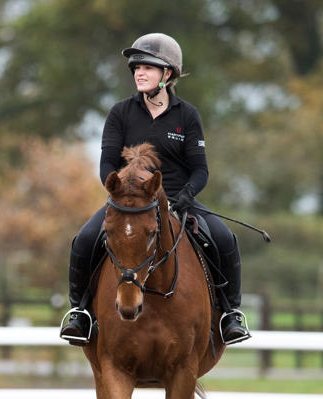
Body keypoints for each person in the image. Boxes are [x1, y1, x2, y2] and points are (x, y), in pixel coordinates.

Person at [59, 33, 250, 346]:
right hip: (129, 202)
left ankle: (231, 313)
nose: (139, 72)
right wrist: (119, 189)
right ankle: (80, 312)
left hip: (179, 199)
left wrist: (187, 193)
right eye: (136, 67)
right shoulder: (120, 113)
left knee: (225, 239)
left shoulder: (187, 116)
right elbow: (106, 164)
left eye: (148, 66)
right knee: (84, 240)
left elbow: (201, 170)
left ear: (168, 74)